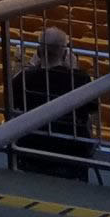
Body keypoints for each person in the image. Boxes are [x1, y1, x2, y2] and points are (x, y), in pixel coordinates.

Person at [7, 26, 96, 179]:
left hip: (31, 144)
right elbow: (92, 109)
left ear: (39, 52)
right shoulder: (80, 79)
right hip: (71, 148)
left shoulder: (24, 78)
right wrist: (74, 70)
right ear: (66, 53)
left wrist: (30, 66)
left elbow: (12, 101)